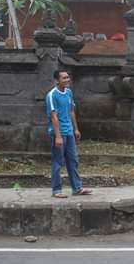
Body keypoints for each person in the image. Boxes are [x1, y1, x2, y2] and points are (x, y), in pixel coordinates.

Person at [45, 70, 92, 198]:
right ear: (57, 80)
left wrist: (76, 129)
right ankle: (56, 190)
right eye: (64, 78)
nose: (67, 80)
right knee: (58, 161)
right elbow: (53, 117)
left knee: (73, 160)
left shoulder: (69, 93)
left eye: (68, 77)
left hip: (69, 131)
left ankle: (77, 188)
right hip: (58, 134)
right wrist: (58, 136)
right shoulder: (51, 95)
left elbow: (71, 111)